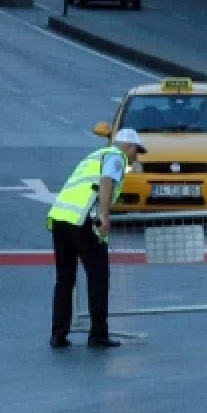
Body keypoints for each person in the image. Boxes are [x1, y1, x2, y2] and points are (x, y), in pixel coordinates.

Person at [46, 128, 147, 349]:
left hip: (60, 219)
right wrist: (104, 216)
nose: (136, 157)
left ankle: (58, 334)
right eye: (136, 151)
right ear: (128, 147)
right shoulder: (116, 157)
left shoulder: (94, 156)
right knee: (98, 278)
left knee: (65, 280)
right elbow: (106, 182)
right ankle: (98, 334)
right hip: (85, 222)